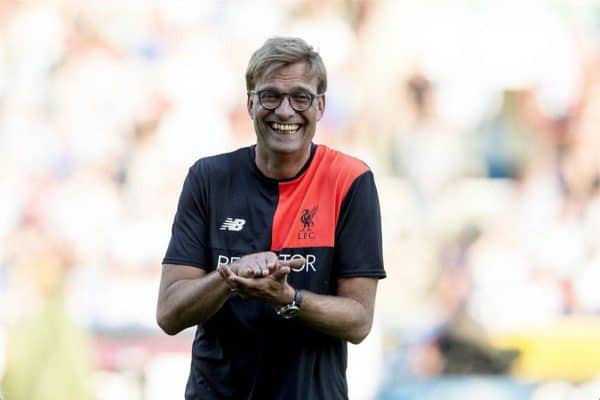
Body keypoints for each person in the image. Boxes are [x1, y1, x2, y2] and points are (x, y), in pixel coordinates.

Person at [156, 37, 386, 400]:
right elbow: (170, 313)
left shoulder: (350, 180)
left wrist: (288, 298)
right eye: (270, 96)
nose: (284, 111)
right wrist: (230, 277)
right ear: (249, 103)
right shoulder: (209, 178)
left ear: (321, 105)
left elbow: (359, 320)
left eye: (300, 97)